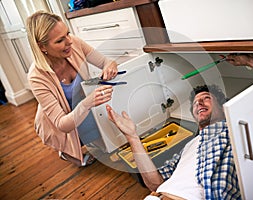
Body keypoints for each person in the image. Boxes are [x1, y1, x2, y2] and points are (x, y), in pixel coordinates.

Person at [106, 85, 241, 200]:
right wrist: (132, 137)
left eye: (207, 98)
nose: (199, 102)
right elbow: (155, 184)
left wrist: (252, 62)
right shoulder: (189, 146)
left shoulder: (235, 133)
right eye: (195, 102)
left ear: (223, 108)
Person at [27, 11, 118, 167]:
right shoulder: (36, 77)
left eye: (67, 34)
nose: (69, 41)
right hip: (61, 122)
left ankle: (88, 138)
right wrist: (88, 102)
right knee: (78, 157)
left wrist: (110, 67)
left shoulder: (74, 43)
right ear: (42, 47)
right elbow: (63, 124)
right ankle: (66, 151)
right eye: (60, 40)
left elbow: (106, 61)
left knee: (109, 142)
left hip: (83, 108)